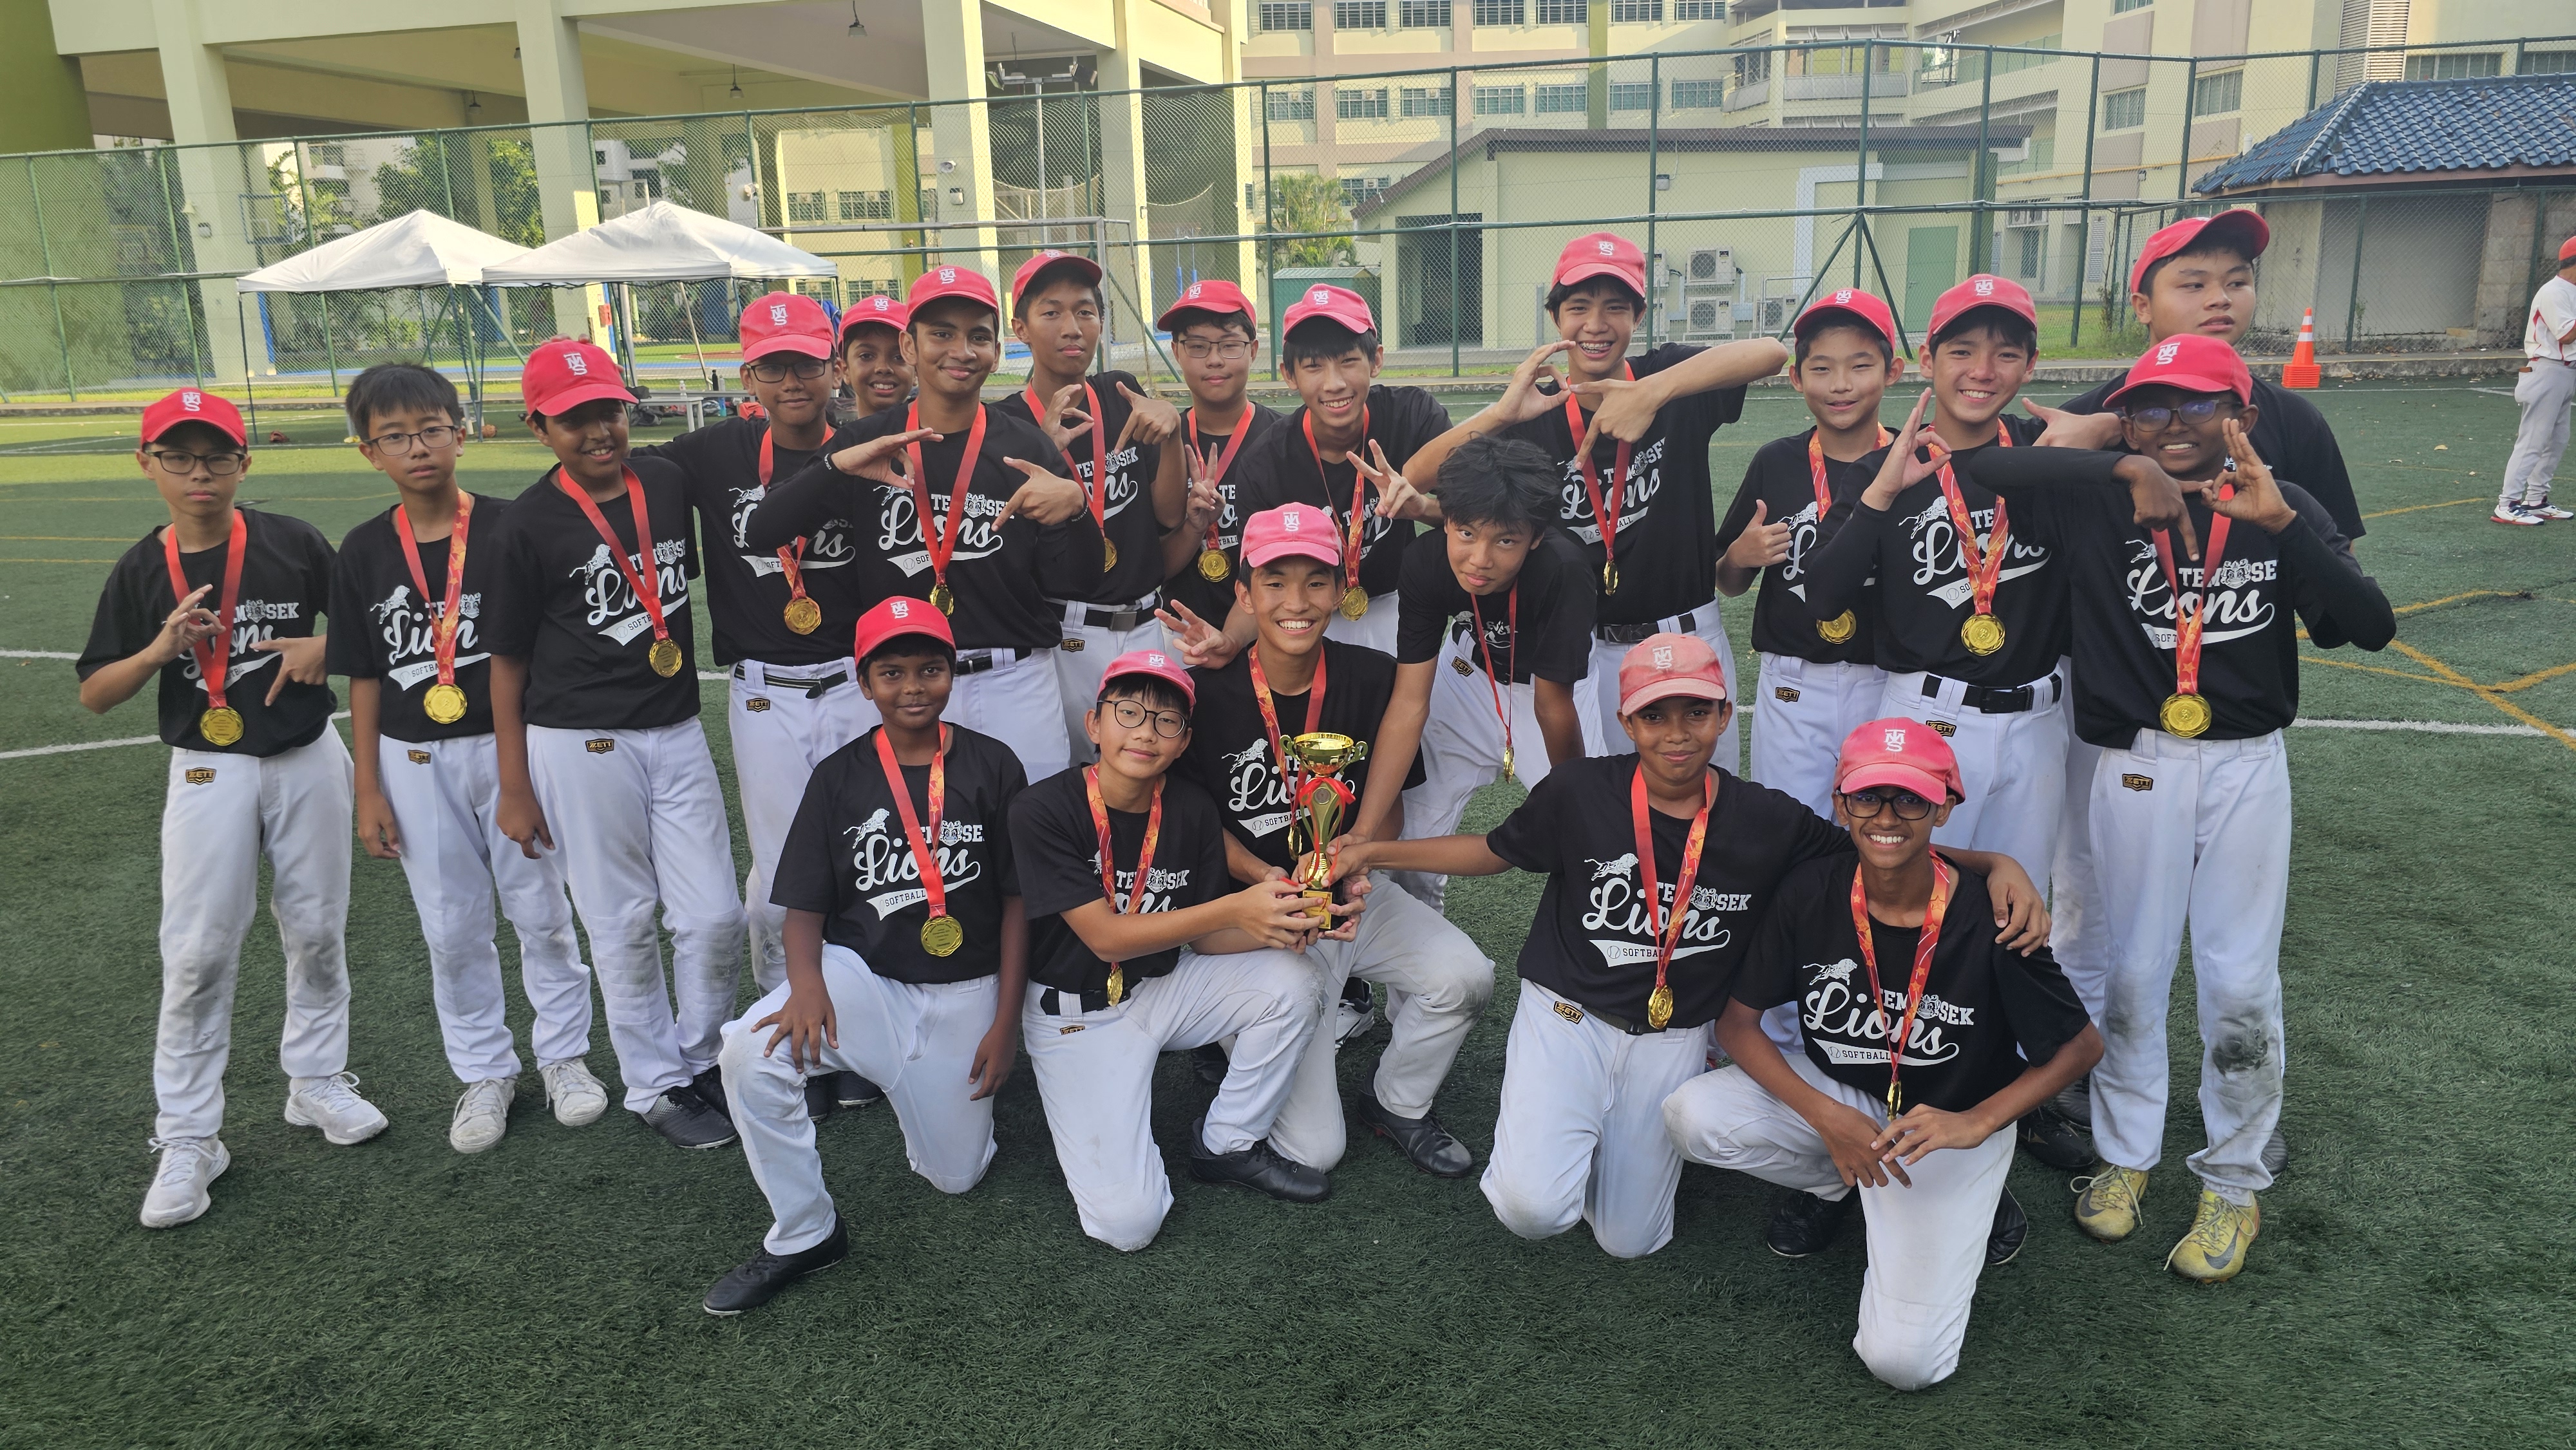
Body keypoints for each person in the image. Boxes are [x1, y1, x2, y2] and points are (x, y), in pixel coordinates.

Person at [1331, 636, 2049, 1258]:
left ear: (1724, 715)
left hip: (1673, 1035)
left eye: (1696, 712)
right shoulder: (1580, 790)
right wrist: (1373, 850)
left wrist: (1993, 864)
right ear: (1626, 722)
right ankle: (1558, 1140)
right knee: (1534, 1209)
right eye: (1654, 714)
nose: (1676, 733)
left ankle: (1605, 1141)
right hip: (1567, 1016)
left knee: (1630, 1239)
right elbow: (1493, 850)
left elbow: (1878, 844)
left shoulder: (1765, 818)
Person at [1965, 334, 2395, 1283]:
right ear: (2126, 418)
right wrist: (2118, 461)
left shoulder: (2281, 502)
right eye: (2150, 407)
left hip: (2244, 763)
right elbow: (1983, 465)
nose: (2174, 424)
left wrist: (2285, 525)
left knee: (2239, 980)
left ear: (2242, 415)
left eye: (2200, 404)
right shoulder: (2099, 498)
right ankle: (2126, 1156)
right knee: (2132, 967)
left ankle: (2233, 1178)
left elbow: (2369, 627)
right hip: (2136, 763)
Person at [2042, 209, 2371, 1165]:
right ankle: (2089, 1087)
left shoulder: (2288, 419)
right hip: (2111, 710)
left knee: (2233, 957)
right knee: (2093, 909)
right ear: (2142, 302)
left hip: (2229, 718)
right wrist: (2109, 442)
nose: (2220, 297)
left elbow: (2339, 595)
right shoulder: (2106, 410)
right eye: (2193, 281)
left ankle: (2236, 1126)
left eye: (2237, 279)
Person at [1663, 719, 2099, 1391]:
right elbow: (1739, 1025)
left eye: (1910, 799)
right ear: (1840, 804)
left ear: (1944, 806)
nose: (1887, 817)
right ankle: (1836, 1179)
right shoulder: (1811, 889)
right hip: (1845, 1095)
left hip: (1945, 1125)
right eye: (1867, 797)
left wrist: (1978, 1123)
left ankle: (1977, 1194)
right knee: (1692, 1116)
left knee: (1904, 1363)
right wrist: (1826, 1116)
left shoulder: (1993, 914)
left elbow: (2080, 1046)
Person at [79, 388, 384, 1228]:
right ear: (147, 465)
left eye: (216, 455)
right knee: (197, 951)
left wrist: (327, 644)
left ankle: (315, 1079)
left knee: (317, 927)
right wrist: (158, 649)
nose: (199, 472)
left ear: (244, 462)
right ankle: (189, 1135)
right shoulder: (143, 568)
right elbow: (96, 692)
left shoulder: (291, 542)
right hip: (208, 768)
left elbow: (365, 627)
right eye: (177, 457)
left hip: (307, 755)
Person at [703, 596, 1029, 1314]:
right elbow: (804, 906)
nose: (912, 686)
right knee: (749, 1053)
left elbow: (1016, 903)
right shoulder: (839, 775)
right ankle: (806, 1230)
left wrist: (1007, 1023)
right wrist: (806, 986)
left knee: (956, 1177)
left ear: (952, 673)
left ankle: (910, 1089)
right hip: (865, 979)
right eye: (892, 672)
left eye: (929, 669)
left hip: (964, 988)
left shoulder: (993, 764)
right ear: (864, 682)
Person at [327, 363, 605, 1154]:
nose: (417, 448)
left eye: (430, 429)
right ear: (369, 451)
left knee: (541, 910)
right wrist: (367, 789)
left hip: (511, 747)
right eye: (395, 436)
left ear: (462, 431)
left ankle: (564, 1055)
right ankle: (484, 1069)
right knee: (451, 928)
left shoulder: (513, 527)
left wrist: (525, 772)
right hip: (413, 758)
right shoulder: (363, 550)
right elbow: (365, 675)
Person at [1174, 504, 1495, 1178]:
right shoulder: (1204, 693)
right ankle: (1244, 1022)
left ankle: (1398, 1101)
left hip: (1346, 902)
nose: (1296, 602)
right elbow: (1191, 825)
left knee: (1465, 978)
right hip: (1254, 920)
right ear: (1244, 595)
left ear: (1340, 589)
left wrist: (1356, 870)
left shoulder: (1371, 677)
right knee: (1315, 1151)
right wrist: (1264, 877)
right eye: (1275, 582)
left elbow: (1392, 805)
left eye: (1315, 582)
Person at [486, 339, 746, 1151]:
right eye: (574, 419)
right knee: (622, 919)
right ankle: (653, 1082)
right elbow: (506, 662)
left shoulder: (662, 482)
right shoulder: (526, 523)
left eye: (608, 410)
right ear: (539, 428)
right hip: (580, 739)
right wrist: (514, 784)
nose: (598, 430)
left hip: (675, 725)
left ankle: (701, 1057)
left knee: (714, 914)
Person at [633, 294, 879, 1126]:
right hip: (766, 689)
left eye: (806, 362)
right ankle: (792, 1034)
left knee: (863, 862)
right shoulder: (713, 452)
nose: (792, 380)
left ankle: (855, 1031)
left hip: (857, 681)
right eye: (774, 366)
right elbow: (612, 478)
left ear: (833, 365)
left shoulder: (863, 443)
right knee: (781, 879)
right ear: (748, 375)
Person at [1410, 231, 1786, 762]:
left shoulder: (1669, 380)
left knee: (1706, 793)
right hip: (1584, 648)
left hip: (1686, 634)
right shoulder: (1535, 412)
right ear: (1555, 316)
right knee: (1611, 801)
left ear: (1638, 315)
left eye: (1615, 307)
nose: (1596, 324)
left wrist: (1653, 392)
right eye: (1579, 307)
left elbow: (1771, 353)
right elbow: (1416, 476)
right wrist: (1501, 413)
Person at [1010, 650, 1342, 1250]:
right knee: (1128, 1226)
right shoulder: (1043, 808)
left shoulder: (1188, 807)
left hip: (1162, 987)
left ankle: (1227, 1143)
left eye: (1167, 721)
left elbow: (1207, 938)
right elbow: (1105, 937)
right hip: (1076, 1015)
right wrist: (1237, 909)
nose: (1145, 732)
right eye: (1128, 712)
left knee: (1296, 976)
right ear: (1094, 724)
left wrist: (1291, 923)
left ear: (1184, 741)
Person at [748, 263, 1099, 784]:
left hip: (1016, 681)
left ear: (997, 350)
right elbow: (762, 533)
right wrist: (834, 467)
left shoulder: (1025, 444)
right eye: (942, 334)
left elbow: (1079, 582)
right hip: (908, 687)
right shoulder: (868, 442)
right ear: (910, 347)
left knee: (1028, 823)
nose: (962, 350)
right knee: (920, 828)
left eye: (978, 336)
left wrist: (1077, 508)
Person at [1801, 276, 2068, 887]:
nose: (1983, 371)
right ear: (1927, 359)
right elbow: (1823, 596)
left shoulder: (2047, 449)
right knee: (1911, 895)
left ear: (2031, 365)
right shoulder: (1885, 468)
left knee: (2020, 899)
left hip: (2036, 721)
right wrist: (1881, 495)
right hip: (1927, 714)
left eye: (2006, 354)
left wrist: (2101, 433)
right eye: (1962, 351)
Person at [1367, 433, 1596, 913]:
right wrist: (1365, 833)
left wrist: (1574, 795)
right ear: (1446, 519)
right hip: (1467, 672)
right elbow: (1409, 702)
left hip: (1550, 692)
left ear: (1536, 537)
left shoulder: (1563, 568)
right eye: (1466, 533)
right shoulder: (1425, 561)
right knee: (1414, 837)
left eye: (1506, 540)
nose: (1480, 559)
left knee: (1592, 837)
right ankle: (1418, 956)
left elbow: (1552, 703)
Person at [1716, 287, 1905, 818]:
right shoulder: (1776, 462)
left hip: (1889, 682)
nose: (1840, 384)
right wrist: (1740, 556)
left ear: (1892, 371)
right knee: (1788, 830)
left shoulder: (1912, 463)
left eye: (1860, 366)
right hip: (1794, 685)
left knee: (1882, 833)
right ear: (1797, 378)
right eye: (1821, 369)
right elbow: (1728, 580)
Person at [992, 250, 1188, 755]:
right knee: (1072, 778)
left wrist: (1171, 432)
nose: (1072, 327)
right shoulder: (1005, 425)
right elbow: (1005, 546)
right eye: (1051, 312)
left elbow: (1169, 515)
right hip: (1064, 635)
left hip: (1145, 625)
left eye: (1085, 311)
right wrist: (1043, 448)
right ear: (1020, 328)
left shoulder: (1122, 395)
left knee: (1149, 771)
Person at [1194, 284, 1450, 655]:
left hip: (1395, 604)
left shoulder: (1411, 416)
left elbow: (1475, 518)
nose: (1334, 384)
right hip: (1305, 618)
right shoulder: (1266, 462)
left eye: (1348, 360)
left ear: (1376, 360)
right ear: (1289, 374)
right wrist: (1231, 642)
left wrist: (1422, 508)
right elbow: (1261, 579)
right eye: (1314, 366)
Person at [1155, 279, 1283, 632]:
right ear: (1176, 351)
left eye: (1230, 346)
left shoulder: (1286, 441)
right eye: (1197, 346)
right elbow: (1156, 568)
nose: (1214, 360)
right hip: (1179, 634)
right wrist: (1193, 527)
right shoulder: (1160, 441)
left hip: (1268, 634)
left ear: (1253, 351)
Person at [2496, 234, 2576, 525]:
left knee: (2557, 441)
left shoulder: (2570, 291)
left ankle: (2536, 500)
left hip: (2565, 372)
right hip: (2546, 370)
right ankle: (2507, 504)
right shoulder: (2554, 291)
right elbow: (2566, 335)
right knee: (2533, 440)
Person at [832, 292, 916, 426]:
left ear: (916, 370)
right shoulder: (838, 439)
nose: (883, 368)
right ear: (845, 370)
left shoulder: (935, 435)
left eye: (899, 357)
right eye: (866, 356)